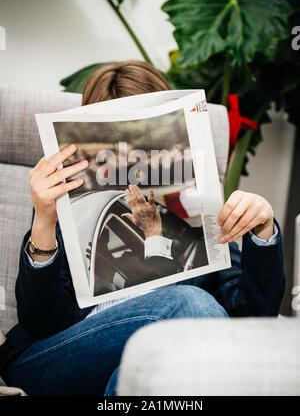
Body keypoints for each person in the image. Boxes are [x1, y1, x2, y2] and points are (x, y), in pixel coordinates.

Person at [0, 60, 285, 396]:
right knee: (191, 307)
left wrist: (263, 232)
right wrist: (44, 221)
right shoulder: (67, 214)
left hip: (150, 367)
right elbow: (42, 322)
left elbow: (251, 318)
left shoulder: (196, 218)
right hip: (54, 360)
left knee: (148, 372)